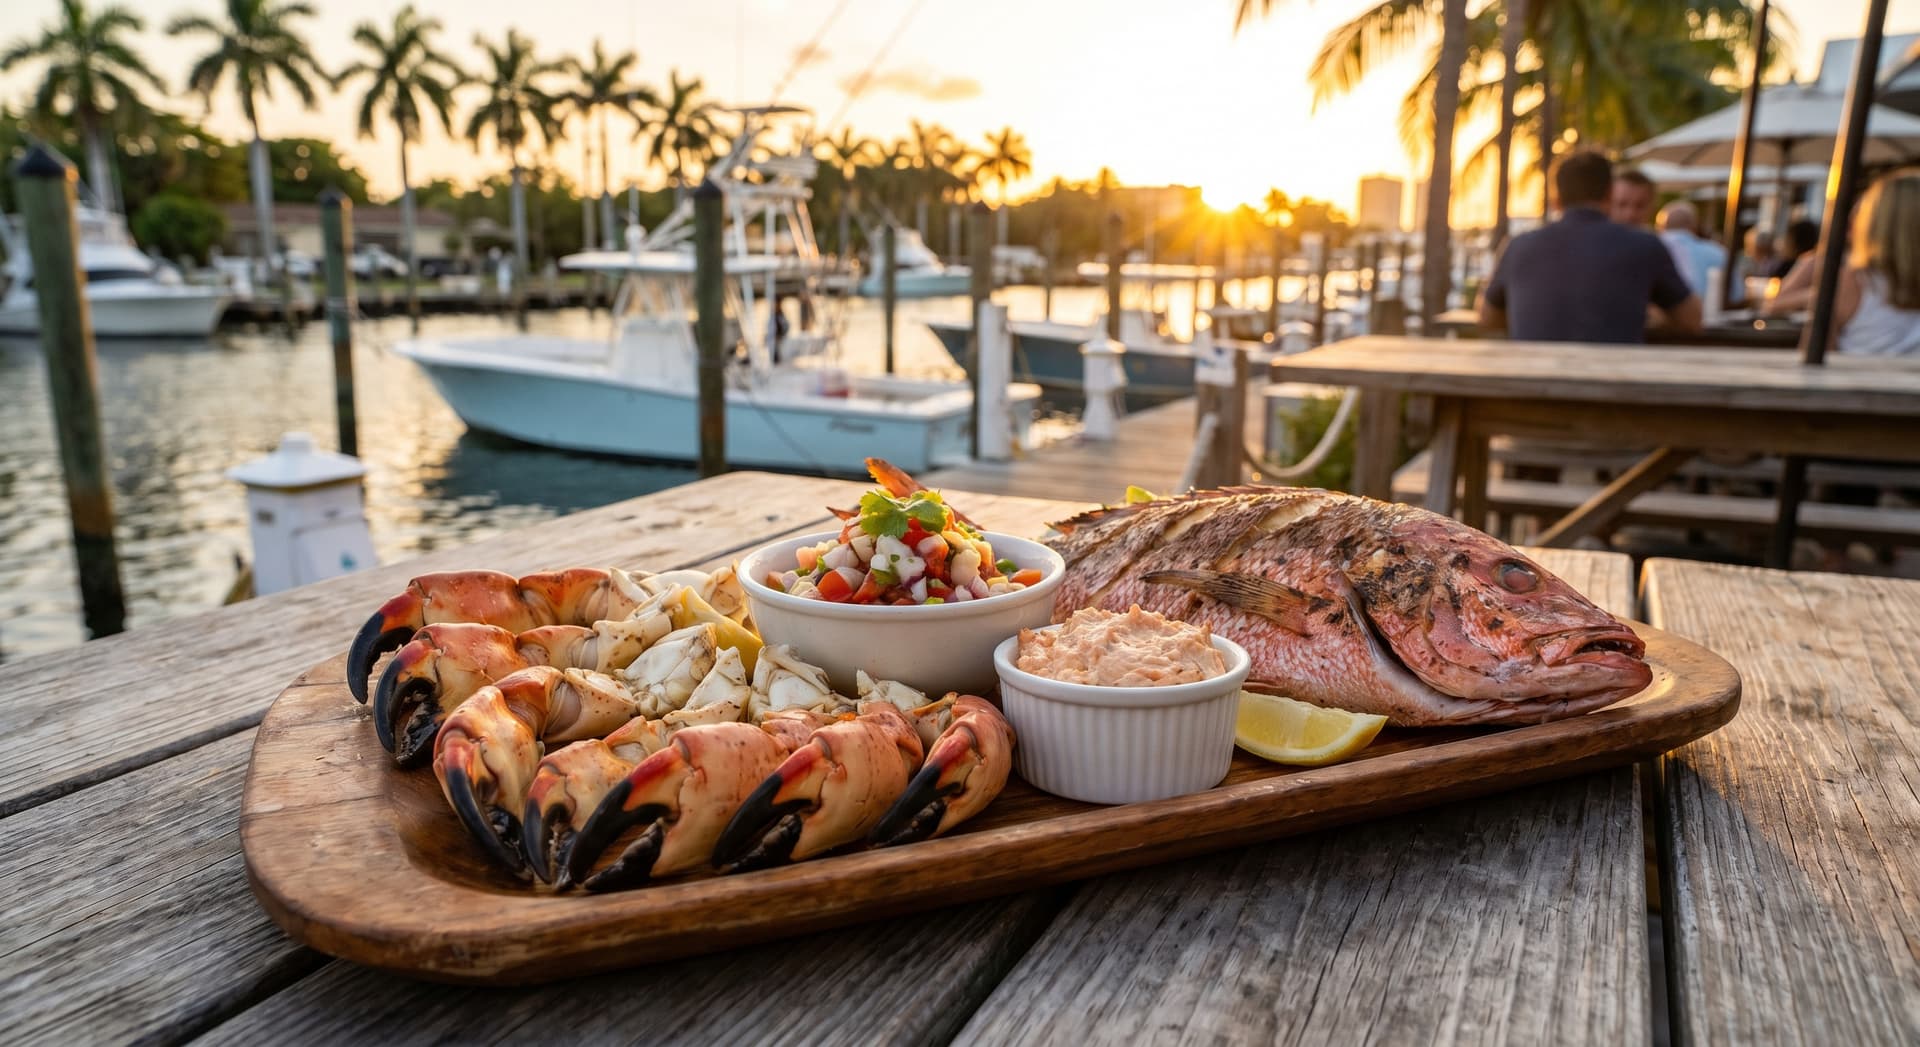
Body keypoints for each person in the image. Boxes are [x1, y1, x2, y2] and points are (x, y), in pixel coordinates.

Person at [1480, 150, 1700, 343]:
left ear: (1556, 199)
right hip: (1614, 385)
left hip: (1533, 385)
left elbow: (1488, 318)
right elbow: (1692, 320)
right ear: (1609, 194)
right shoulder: (1645, 245)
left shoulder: (1519, 246)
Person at [1763, 168, 1920, 355]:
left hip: (1859, 381)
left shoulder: (1852, 282)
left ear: (1874, 222)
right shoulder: (1832, 268)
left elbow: (1812, 359)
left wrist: (1819, 296)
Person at [1656, 201, 1728, 297]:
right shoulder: (1718, 252)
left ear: (1660, 227)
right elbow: (1737, 294)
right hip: (1709, 310)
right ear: (1695, 226)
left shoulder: (1648, 250)